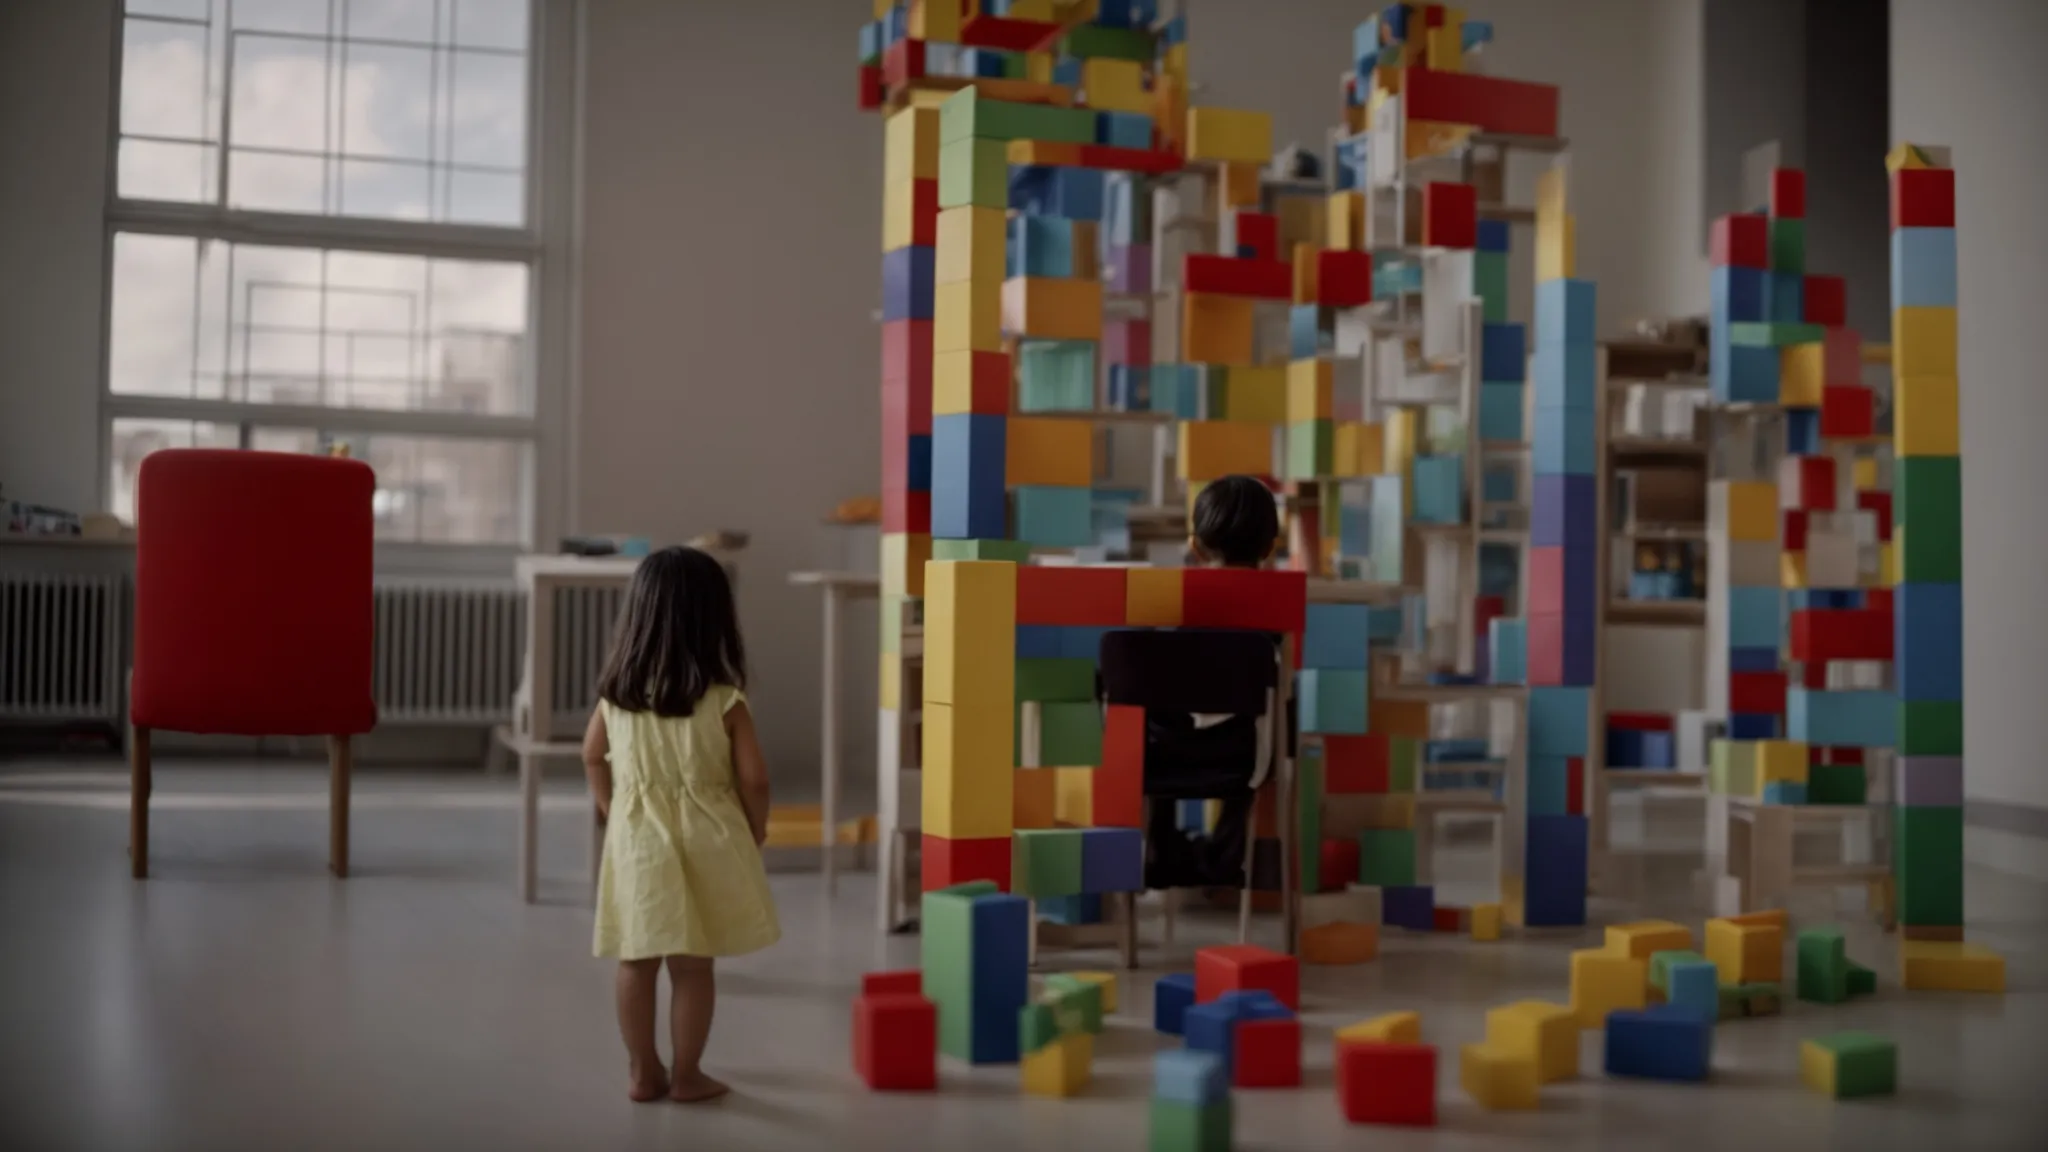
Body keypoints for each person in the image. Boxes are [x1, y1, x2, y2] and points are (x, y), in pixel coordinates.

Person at [582, 546, 780, 1104]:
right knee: (693, 966)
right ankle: (688, 1075)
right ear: (715, 619)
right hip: (711, 840)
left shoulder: (616, 698)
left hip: (638, 838)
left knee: (636, 959)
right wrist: (755, 829)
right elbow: (756, 780)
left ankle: (644, 1073)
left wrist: (613, 810)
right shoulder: (725, 700)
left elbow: (591, 756)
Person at [1145, 474, 1282, 890]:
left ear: (1195, 546)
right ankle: (1224, 858)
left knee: (1153, 718)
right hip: (1244, 760)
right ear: (1271, 547)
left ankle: (1161, 851)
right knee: (1263, 727)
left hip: (1160, 759)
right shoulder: (1275, 615)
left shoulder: (1167, 602)